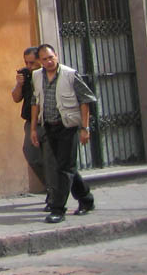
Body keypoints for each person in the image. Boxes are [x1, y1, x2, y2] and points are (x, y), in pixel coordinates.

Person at [30, 43, 96, 223]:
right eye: (45, 59)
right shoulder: (37, 76)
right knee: (66, 166)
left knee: (64, 168)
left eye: (51, 57)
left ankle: (58, 209)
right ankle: (86, 199)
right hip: (49, 126)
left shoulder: (69, 74)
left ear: (56, 56)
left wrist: (85, 128)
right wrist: (33, 129)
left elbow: (85, 100)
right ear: (40, 61)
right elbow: (35, 101)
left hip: (68, 126)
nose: (49, 61)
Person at [11, 46, 48, 205]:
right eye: (26, 62)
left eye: (32, 62)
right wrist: (19, 84)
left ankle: (59, 191)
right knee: (31, 154)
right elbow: (16, 98)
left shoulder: (48, 75)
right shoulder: (26, 75)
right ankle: (51, 186)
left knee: (55, 160)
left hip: (49, 121)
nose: (29, 66)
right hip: (31, 122)